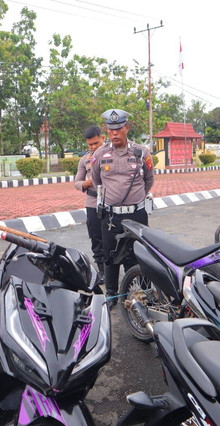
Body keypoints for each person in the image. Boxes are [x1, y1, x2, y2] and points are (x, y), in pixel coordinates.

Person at [91, 109, 154, 307]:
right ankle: (112, 296)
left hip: (137, 214)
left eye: (119, 129)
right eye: (111, 130)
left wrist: (135, 199)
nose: (115, 133)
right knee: (110, 257)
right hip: (111, 216)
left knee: (139, 254)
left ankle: (142, 293)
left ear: (127, 128)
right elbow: (96, 180)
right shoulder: (100, 154)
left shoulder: (141, 152)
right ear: (107, 131)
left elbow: (149, 180)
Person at [74, 125, 105, 279]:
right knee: (96, 237)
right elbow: (77, 183)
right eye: (90, 144)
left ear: (103, 139)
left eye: (96, 143)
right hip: (92, 202)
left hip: (113, 202)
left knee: (114, 238)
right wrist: (89, 182)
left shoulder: (112, 156)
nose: (93, 147)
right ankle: (102, 270)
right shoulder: (85, 160)